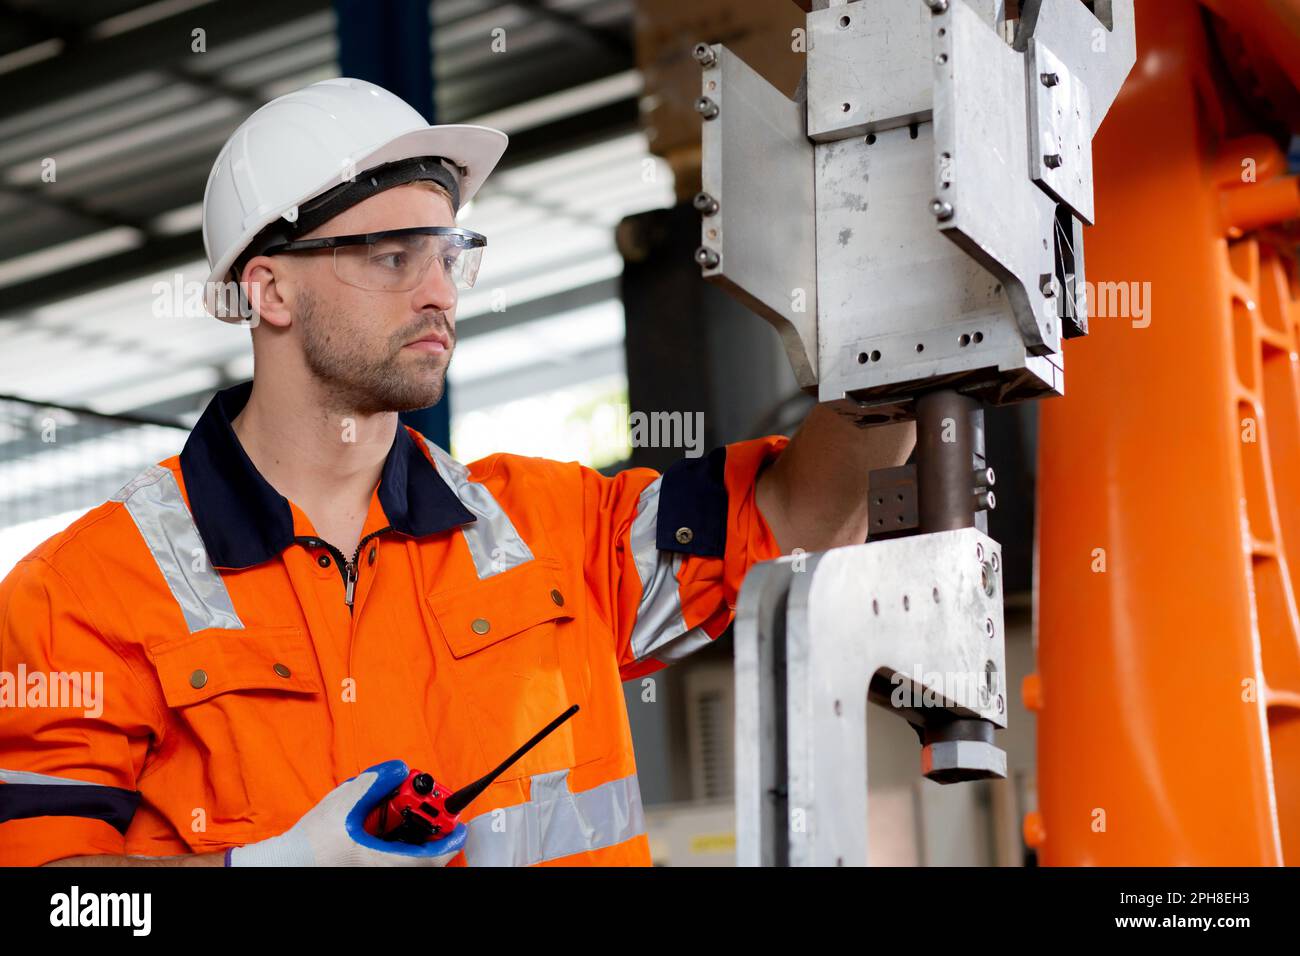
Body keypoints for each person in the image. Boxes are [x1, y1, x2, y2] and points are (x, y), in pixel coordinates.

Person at [0, 78, 914, 866]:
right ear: (269, 289)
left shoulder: (551, 528)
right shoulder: (78, 602)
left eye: (447, 255)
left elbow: (800, 513)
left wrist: (904, 339)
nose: (437, 291)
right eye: (392, 257)